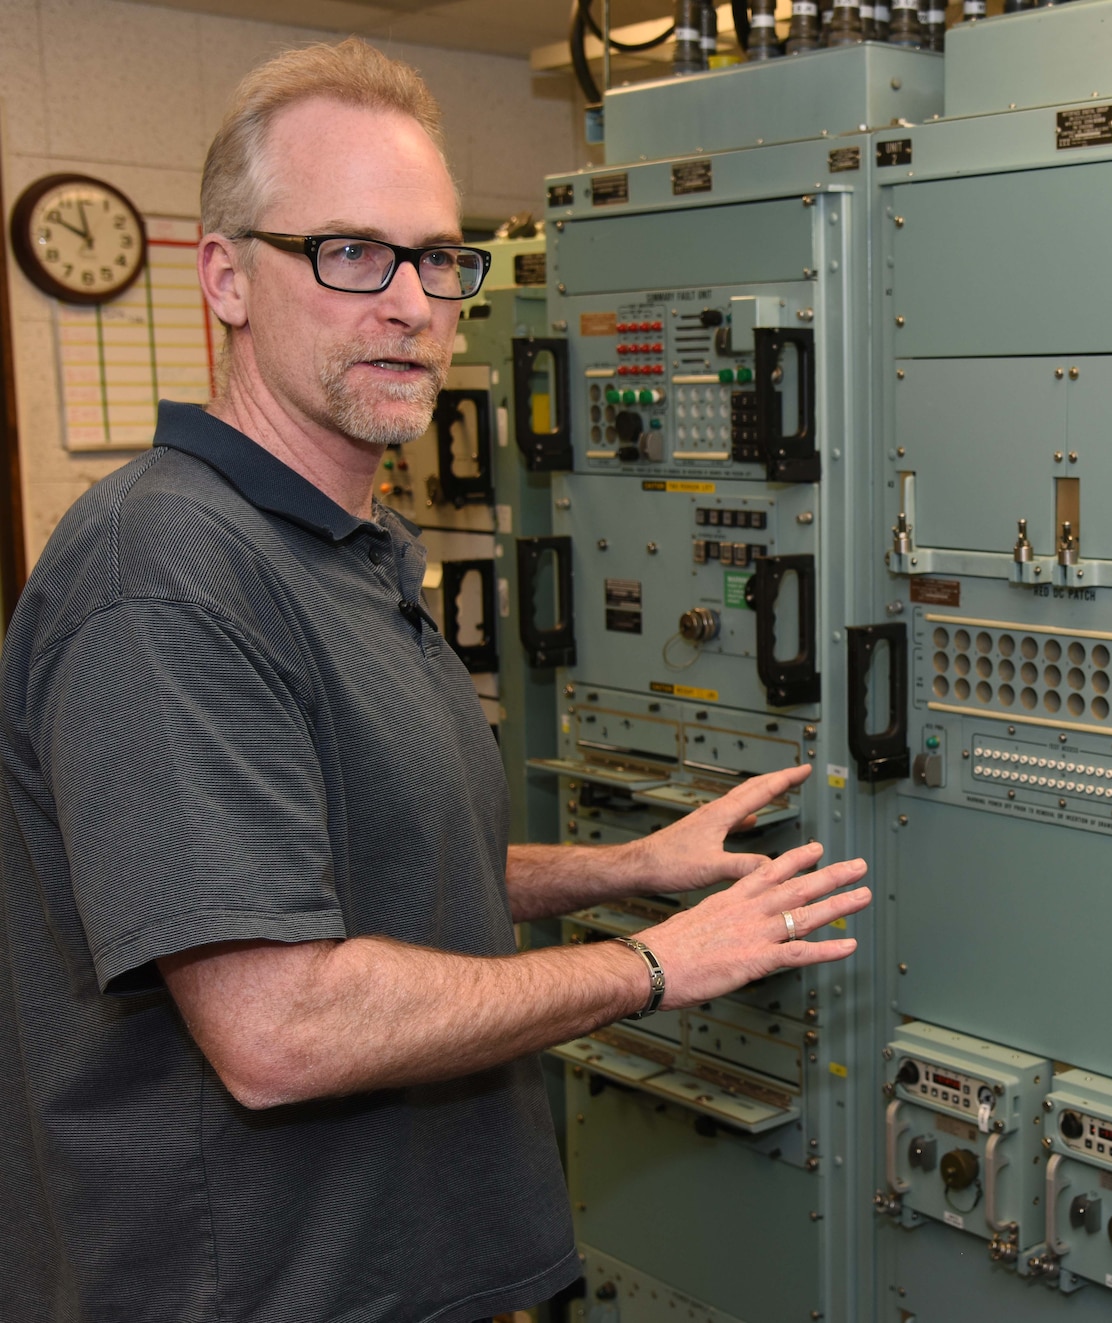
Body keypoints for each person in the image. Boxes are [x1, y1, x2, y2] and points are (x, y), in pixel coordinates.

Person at [0, 38, 870, 1323]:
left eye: (439, 258)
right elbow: (281, 1026)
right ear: (226, 277)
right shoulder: (167, 577)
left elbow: (346, 864)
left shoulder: (334, 544)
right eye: (349, 253)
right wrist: (650, 966)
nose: (411, 303)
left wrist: (624, 868)